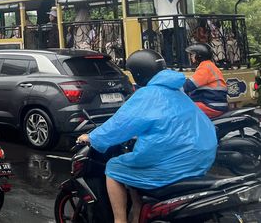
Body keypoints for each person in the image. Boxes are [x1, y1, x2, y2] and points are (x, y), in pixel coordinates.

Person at [76, 50, 216, 223]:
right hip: (200, 158)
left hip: (172, 163)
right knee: (134, 164)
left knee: (114, 167)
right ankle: (137, 210)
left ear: (139, 73)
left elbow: (118, 125)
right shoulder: (176, 90)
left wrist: (92, 138)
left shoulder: (147, 95)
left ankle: (120, 220)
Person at [184, 43, 228, 118]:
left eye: (193, 54)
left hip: (211, 105)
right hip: (214, 103)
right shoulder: (209, 65)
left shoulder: (205, 67)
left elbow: (190, 84)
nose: (191, 57)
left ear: (199, 56)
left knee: (183, 109)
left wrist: (177, 86)